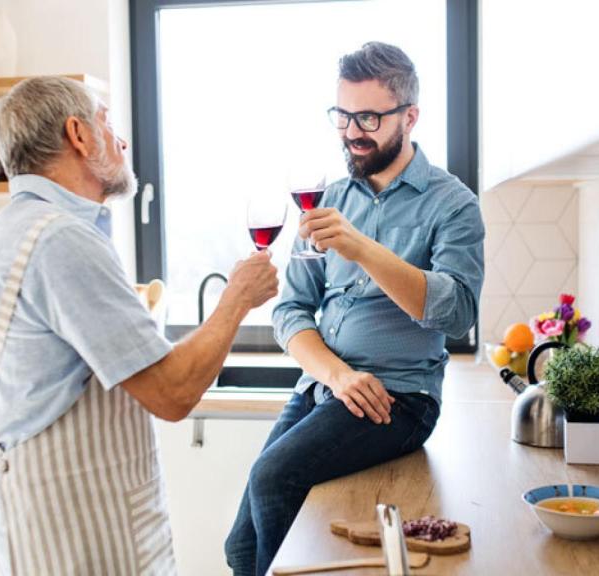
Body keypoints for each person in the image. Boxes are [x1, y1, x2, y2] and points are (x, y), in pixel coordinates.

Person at [0, 76, 279, 576]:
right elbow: (172, 392)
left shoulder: (16, 227)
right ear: (79, 135)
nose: (122, 140)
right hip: (75, 530)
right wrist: (236, 299)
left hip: (51, 514)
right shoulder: (63, 240)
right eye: (107, 122)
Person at [224, 42, 485, 575]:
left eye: (367, 117)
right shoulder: (328, 198)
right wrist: (338, 376)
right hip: (329, 388)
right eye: (342, 115)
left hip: (401, 399)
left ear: (409, 117)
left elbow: (457, 314)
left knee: (274, 479)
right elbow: (291, 311)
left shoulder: (453, 204)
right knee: (240, 549)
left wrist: (360, 245)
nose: (350, 131)